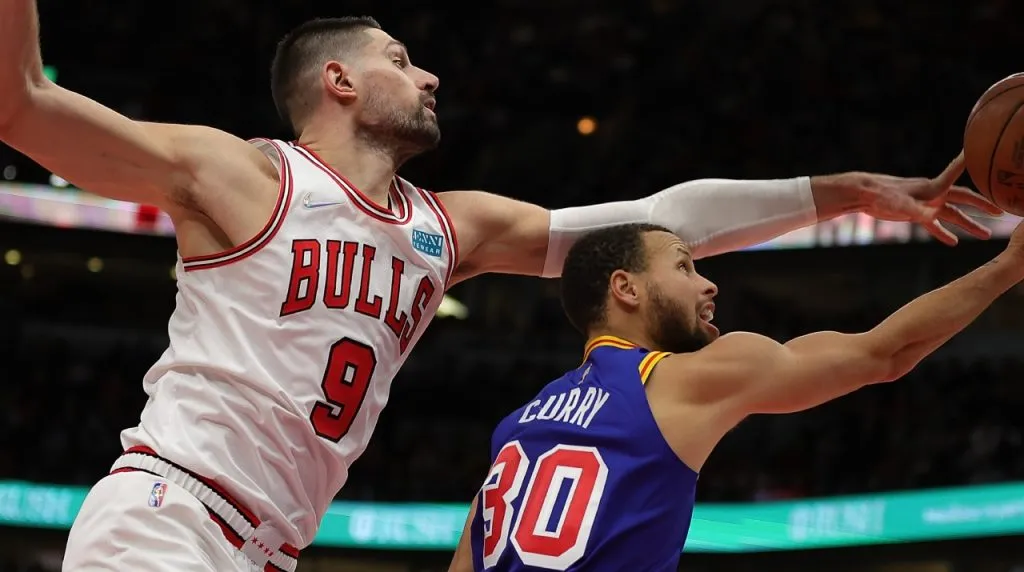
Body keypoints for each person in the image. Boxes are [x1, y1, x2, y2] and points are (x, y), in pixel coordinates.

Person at [0, 5, 1001, 571]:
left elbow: (657, 215)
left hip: (270, 547)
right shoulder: (242, 176)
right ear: (337, 82)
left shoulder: (451, 227)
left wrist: (839, 192)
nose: (427, 73)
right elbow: (23, 103)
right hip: (173, 511)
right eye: (399, 58)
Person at [446, 221, 1024, 572]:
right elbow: (886, 354)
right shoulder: (682, 377)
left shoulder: (517, 426)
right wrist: (1008, 266)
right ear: (626, 288)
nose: (708, 283)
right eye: (683, 265)